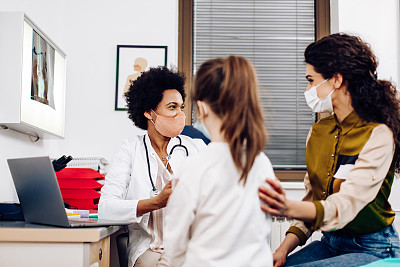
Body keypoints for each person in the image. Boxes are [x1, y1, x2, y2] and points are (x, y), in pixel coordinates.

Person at [259, 33, 400, 267]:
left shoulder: (379, 135)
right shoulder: (318, 132)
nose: (308, 89)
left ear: (336, 79)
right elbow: (315, 198)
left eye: (311, 80)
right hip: (330, 242)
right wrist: (282, 249)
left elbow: (345, 205)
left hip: (374, 248)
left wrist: (286, 206)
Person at [157, 55, 275, 267]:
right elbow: (262, 232)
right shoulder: (261, 162)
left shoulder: (195, 167)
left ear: (202, 109)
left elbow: (175, 247)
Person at [98, 66, 206, 267]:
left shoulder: (195, 148)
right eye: (172, 107)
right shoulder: (131, 149)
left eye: (181, 107)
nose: (180, 115)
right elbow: (105, 209)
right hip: (151, 248)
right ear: (149, 112)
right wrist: (156, 202)